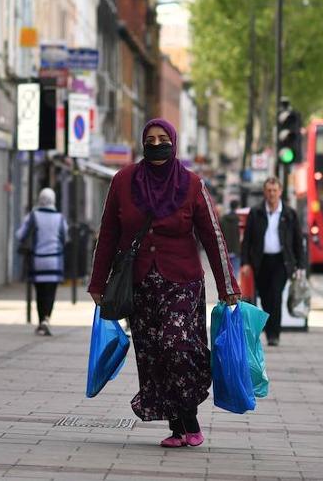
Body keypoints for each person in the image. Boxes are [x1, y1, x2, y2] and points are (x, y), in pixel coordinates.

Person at [87, 118, 240, 448]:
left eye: (163, 138)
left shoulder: (192, 184)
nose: (157, 144)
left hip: (182, 282)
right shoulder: (123, 181)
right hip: (139, 285)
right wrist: (97, 283)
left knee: (177, 346)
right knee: (154, 355)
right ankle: (177, 427)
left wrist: (228, 286)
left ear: (173, 141)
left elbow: (213, 237)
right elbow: (109, 234)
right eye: (150, 139)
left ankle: (191, 420)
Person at [242, 176, 307, 347]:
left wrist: (301, 265)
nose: (272, 194)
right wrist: (245, 263)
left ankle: (274, 335)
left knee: (276, 296)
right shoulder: (255, 212)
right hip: (260, 261)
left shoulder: (289, 214)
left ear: (280, 192)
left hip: (281, 261)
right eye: (269, 190)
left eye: (275, 190)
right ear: (264, 192)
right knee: (264, 297)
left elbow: (297, 241)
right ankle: (269, 329)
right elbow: (247, 240)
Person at [16, 187, 69, 336]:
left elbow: (20, 235)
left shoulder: (33, 216)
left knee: (39, 292)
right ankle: (46, 319)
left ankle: (40, 322)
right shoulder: (60, 218)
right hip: (55, 260)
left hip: (37, 261)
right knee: (50, 292)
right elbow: (65, 238)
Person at [221, 200, 242, 279]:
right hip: (236, 250)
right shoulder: (239, 219)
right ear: (237, 207)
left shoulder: (223, 219)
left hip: (226, 250)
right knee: (235, 274)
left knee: (226, 274)